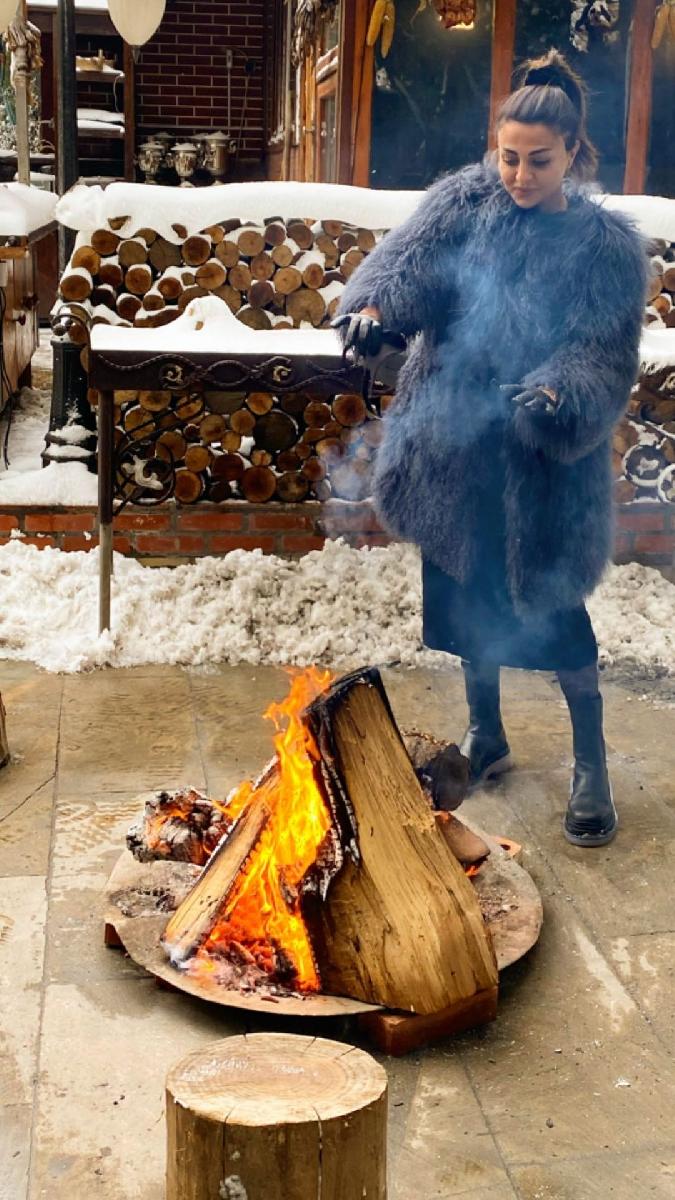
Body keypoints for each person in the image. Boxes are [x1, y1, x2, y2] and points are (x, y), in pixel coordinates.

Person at [333, 50, 647, 848]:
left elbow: (603, 350)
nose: (518, 175)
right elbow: (404, 272)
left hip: (542, 462)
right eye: (507, 157)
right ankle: (486, 733)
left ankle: (589, 766)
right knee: (467, 589)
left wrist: (557, 390)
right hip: (453, 442)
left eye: (537, 160)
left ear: (571, 153)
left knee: (555, 614)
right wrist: (373, 312)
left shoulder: (603, 247)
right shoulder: (462, 204)